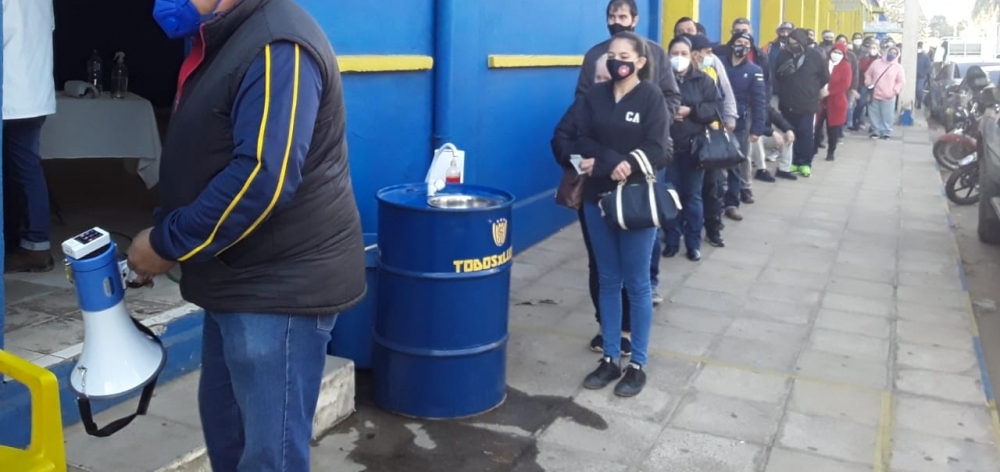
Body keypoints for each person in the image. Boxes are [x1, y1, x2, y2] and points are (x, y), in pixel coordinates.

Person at [126, 0, 367, 469]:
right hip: (237, 282)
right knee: (229, 438)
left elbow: (262, 178)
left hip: (278, 293)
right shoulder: (227, 37)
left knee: (267, 456)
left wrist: (167, 243)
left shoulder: (279, 45)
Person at [574, 0, 682, 352]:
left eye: (622, 16)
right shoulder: (594, 74)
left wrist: (632, 154)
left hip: (638, 184)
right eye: (611, 16)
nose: (616, 22)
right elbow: (580, 127)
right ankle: (608, 343)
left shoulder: (652, 82)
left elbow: (659, 136)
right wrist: (607, 159)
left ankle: (634, 347)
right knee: (604, 272)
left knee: (638, 274)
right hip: (599, 187)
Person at [3, 0, 56, 273]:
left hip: (12, 95)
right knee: (21, 172)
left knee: (22, 173)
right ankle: (21, 241)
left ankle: (35, 246)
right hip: (33, 94)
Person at [662, 36, 723, 262]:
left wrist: (691, 111)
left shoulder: (703, 80)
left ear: (692, 56)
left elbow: (715, 107)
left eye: (683, 54)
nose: (679, 58)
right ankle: (671, 240)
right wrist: (669, 113)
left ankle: (693, 243)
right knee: (670, 195)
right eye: (674, 54)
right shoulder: (660, 80)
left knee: (693, 197)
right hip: (667, 148)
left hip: (694, 147)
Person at [718, 32, 767, 222]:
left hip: (738, 124)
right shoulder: (719, 63)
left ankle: (731, 204)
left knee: (735, 163)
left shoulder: (754, 70)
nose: (742, 46)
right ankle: (715, 203)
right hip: (714, 119)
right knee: (713, 162)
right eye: (739, 41)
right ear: (731, 44)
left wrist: (757, 128)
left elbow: (759, 101)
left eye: (746, 43)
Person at [774, 28, 829, 178]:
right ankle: (791, 161)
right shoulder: (783, 55)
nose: (792, 46)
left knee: (806, 134)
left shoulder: (816, 56)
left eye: (795, 43)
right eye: (790, 43)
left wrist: (813, 89)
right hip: (788, 101)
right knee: (790, 133)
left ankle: (804, 163)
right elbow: (776, 75)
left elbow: (825, 76)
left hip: (807, 103)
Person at [816, 43, 853, 161]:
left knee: (833, 129)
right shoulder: (824, 63)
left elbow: (845, 84)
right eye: (835, 52)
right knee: (816, 126)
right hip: (820, 99)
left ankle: (831, 151)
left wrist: (829, 92)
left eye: (839, 53)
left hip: (836, 101)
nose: (836, 55)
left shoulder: (845, 66)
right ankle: (814, 147)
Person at [865, 45, 905, 140]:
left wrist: (894, 91)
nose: (892, 54)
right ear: (886, 52)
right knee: (874, 114)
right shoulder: (876, 63)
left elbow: (901, 82)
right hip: (874, 93)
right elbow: (868, 74)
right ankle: (876, 131)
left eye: (895, 53)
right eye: (890, 52)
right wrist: (868, 83)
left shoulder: (898, 67)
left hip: (889, 96)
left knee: (887, 115)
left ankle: (886, 132)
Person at [851, 39, 880, 131]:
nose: (873, 50)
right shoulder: (863, 59)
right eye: (871, 48)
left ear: (878, 49)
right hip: (863, 84)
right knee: (861, 104)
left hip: (877, 85)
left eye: (875, 48)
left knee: (874, 106)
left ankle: (874, 126)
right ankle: (856, 121)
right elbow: (860, 70)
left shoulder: (881, 59)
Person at [916, 42, 932, 109]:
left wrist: (923, 73)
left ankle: (919, 102)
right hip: (912, 77)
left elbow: (929, 67)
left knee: (919, 89)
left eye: (920, 47)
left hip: (921, 77)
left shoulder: (925, 57)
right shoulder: (913, 56)